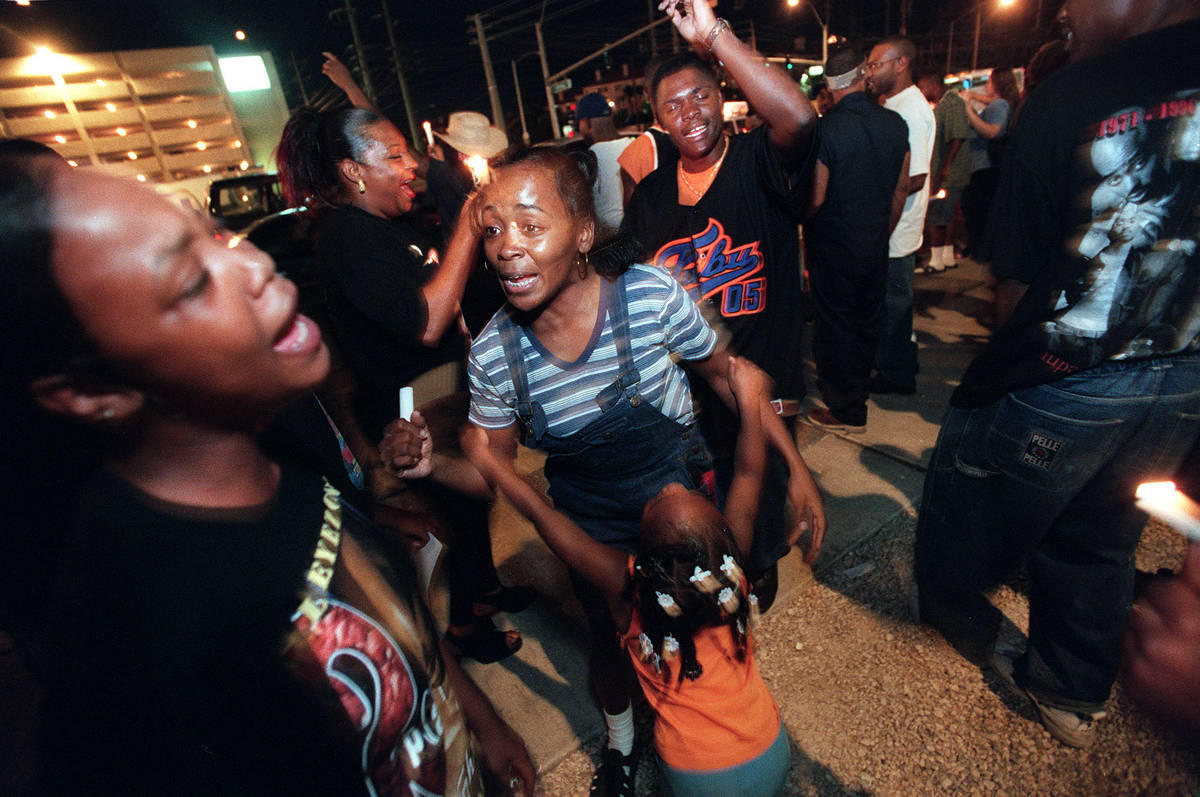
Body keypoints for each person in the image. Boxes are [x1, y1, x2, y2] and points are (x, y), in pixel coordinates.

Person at [0, 159, 534, 795]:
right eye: (191, 281)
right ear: (89, 389)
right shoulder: (144, 639)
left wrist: (482, 721)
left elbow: (389, 622)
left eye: (216, 233)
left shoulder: (282, 466)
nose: (254, 265)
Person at [439, 143, 815, 796]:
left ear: (583, 233)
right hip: (591, 511)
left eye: (531, 225)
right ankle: (622, 737)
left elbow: (731, 376)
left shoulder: (649, 293)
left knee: (682, 628)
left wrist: (795, 465)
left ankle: (698, 711)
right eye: (492, 227)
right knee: (610, 642)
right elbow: (486, 475)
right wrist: (437, 464)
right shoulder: (495, 354)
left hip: (683, 495)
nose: (504, 247)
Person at [913, 0, 1200, 750]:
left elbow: (1013, 290)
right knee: (1106, 531)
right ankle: (1070, 691)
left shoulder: (1070, 96)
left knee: (971, 502)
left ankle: (952, 612)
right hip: (1186, 376)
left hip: (1067, 379)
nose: (1063, 10)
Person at [463, 356, 789, 797]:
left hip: (697, 772)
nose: (668, 487)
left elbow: (546, 519)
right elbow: (750, 472)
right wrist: (751, 397)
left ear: (643, 554)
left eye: (661, 503)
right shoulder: (733, 570)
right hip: (769, 744)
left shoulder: (629, 592)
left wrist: (491, 462)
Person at [276, 105, 529, 663]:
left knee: (476, 502)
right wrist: (467, 220)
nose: (411, 163)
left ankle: (484, 592)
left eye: (406, 150)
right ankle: (465, 624)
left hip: (440, 392)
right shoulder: (348, 237)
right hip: (410, 410)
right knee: (462, 508)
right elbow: (427, 319)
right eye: (393, 156)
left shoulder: (384, 228)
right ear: (352, 171)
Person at [621, 0, 826, 595]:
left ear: (722, 96)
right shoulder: (653, 194)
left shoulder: (757, 158)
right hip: (699, 380)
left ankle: (759, 568)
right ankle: (735, 562)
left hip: (770, 370)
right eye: (673, 105)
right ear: (656, 119)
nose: (690, 112)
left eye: (700, 96)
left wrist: (714, 35)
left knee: (764, 485)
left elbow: (800, 119)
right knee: (719, 480)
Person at [803, 47, 910, 431]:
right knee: (867, 320)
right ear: (863, 75)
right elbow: (901, 188)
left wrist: (802, 225)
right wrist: (883, 229)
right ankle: (858, 391)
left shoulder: (826, 128)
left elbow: (815, 198)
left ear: (829, 87)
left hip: (833, 245)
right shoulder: (896, 124)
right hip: (874, 241)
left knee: (835, 327)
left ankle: (845, 408)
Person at [864, 36, 936, 397]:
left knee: (894, 304)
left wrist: (876, 207)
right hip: (893, 226)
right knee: (892, 304)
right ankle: (897, 361)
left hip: (897, 228)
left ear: (901, 63)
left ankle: (896, 373)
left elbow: (917, 176)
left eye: (877, 63)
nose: (870, 71)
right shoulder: (897, 105)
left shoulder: (911, 109)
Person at [959, 67, 1019, 258]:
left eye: (989, 81)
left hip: (983, 166)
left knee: (977, 211)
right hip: (983, 166)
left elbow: (992, 131)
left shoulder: (999, 105)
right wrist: (973, 97)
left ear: (998, 84)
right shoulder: (999, 103)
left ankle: (979, 250)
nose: (986, 85)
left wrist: (968, 109)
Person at [917, 71, 972, 274]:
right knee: (946, 215)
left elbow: (957, 137)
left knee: (937, 214)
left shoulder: (951, 103)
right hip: (950, 171)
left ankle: (936, 261)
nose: (922, 93)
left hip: (949, 172)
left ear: (933, 83)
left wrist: (946, 167)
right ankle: (946, 257)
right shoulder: (946, 103)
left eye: (923, 88)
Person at [575, 92, 635, 233]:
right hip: (640, 235)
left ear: (585, 122)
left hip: (609, 243)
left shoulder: (588, 161)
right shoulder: (635, 147)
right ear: (611, 116)